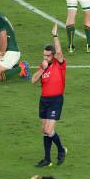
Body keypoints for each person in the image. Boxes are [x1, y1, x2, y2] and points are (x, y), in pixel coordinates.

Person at [31, 24, 67, 168]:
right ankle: (47, 159)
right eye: (44, 55)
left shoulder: (60, 64)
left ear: (53, 56)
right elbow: (33, 80)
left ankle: (61, 149)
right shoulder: (43, 66)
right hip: (44, 100)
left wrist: (55, 35)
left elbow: (59, 51)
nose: (45, 57)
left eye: (48, 55)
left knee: (48, 130)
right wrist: (42, 69)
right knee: (44, 131)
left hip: (56, 100)